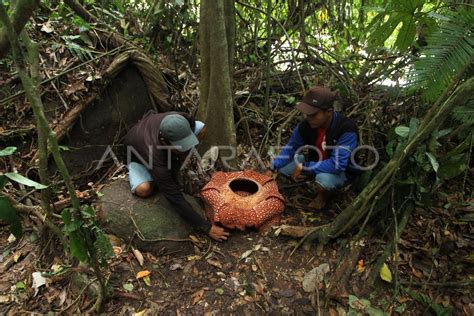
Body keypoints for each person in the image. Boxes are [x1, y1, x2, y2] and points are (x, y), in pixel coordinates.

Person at [123, 111, 229, 241]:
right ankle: (148, 174)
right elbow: (174, 197)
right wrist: (206, 227)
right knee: (144, 190)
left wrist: (184, 151)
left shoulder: (181, 119)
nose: (187, 149)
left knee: (201, 128)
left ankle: (176, 157)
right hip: (138, 155)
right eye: (181, 148)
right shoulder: (154, 157)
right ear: (164, 142)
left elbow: (196, 127)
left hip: (151, 128)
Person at [265, 86, 359, 209]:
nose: (308, 118)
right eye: (307, 114)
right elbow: (291, 148)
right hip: (315, 160)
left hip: (342, 172)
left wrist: (305, 167)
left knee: (322, 179)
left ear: (329, 112)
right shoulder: (306, 125)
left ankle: (324, 196)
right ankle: (308, 175)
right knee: (284, 168)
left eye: (313, 114)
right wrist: (272, 167)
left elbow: (338, 164)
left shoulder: (346, 129)